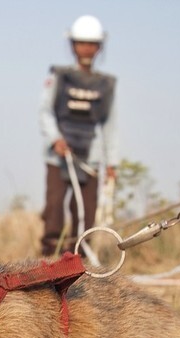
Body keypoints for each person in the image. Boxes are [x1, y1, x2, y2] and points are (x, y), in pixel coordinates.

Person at [38, 14, 119, 257]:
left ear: (99, 47)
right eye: (81, 42)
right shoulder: (59, 77)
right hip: (58, 157)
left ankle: (79, 263)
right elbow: (45, 112)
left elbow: (110, 125)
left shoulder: (105, 84)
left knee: (86, 212)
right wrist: (55, 139)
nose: (86, 48)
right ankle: (49, 260)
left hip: (90, 159)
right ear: (73, 45)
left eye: (91, 43)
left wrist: (111, 163)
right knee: (54, 209)